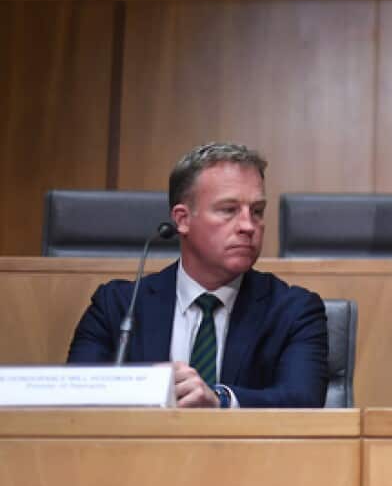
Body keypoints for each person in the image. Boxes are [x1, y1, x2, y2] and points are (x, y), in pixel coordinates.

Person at [67, 142, 328, 408]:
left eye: (257, 211)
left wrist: (220, 400)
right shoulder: (118, 307)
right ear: (182, 219)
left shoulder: (293, 310)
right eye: (228, 210)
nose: (249, 226)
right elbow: (76, 396)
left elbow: (303, 401)